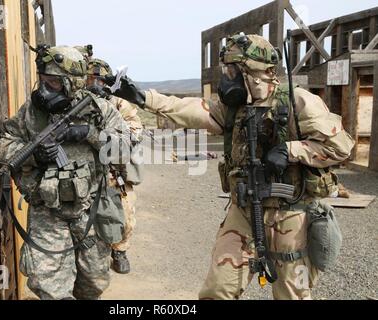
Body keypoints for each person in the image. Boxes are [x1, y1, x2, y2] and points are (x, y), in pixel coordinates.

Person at [104, 34, 355, 300]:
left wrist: (293, 150)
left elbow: (341, 147)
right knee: (217, 290)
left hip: (292, 213)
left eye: (233, 70)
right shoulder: (234, 108)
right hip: (244, 210)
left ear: (255, 73)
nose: (228, 77)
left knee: (293, 295)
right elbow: (187, 108)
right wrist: (143, 98)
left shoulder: (298, 102)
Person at [0, 45, 131, 300]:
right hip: (48, 211)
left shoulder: (99, 110)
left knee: (93, 282)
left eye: (54, 83)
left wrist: (88, 134)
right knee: (48, 285)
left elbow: (125, 148)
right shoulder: (31, 112)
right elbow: (5, 143)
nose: (45, 89)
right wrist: (33, 154)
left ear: (72, 83)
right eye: (44, 81)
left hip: (90, 208)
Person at [87, 57, 144, 274]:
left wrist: (111, 136)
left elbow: (135, 129)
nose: (95, 84)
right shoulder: (79, 103)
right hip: (89, 171)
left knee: (126, 215)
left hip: (115, 171)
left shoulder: (118, 103)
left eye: (100, 80)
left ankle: (120, 251)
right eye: (91, 79)